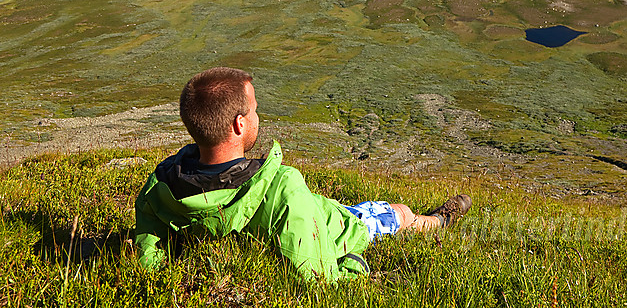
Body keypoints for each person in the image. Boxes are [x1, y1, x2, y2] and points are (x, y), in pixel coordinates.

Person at [134, 67, 472, 281]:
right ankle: (436, 222)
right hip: (333, 227)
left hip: (309, 212)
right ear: (239, 125)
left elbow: (147, 250)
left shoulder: (163, 185)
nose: (257, 117)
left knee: (334, 205)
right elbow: (312, 273)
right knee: (397, 213)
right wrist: (355, 265)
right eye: (253, 111)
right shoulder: (282, 186)